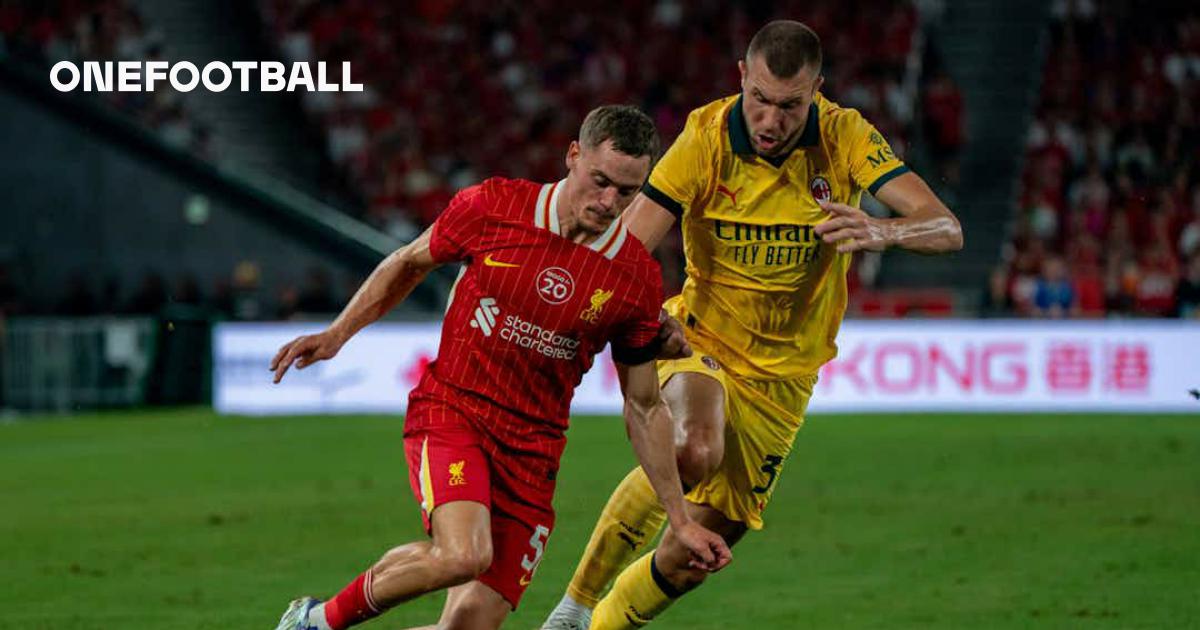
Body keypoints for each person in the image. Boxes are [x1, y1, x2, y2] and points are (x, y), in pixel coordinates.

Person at [542, 21, 963, 630]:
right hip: (702, 338)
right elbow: (627, 249)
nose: (770, 120)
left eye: (790, 105)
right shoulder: (705, 137)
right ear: (742, 76)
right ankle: (573, 608)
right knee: (695, 446)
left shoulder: (845, 135)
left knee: (689, 561)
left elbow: (946, 227)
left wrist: (884, 229)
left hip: (784, 379)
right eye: (760, 98)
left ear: (816, 90)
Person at [268, 105, 731, 630]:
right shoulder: (494, 206)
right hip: (454, 413)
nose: (609, 202)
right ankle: (315, 622)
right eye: (600, 181)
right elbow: (408, 262)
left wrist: (680, 520)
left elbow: (644, 406)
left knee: (467, 626)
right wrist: (337, 334)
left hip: (533, 454)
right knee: (463, 555)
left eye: (627, 192)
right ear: (573, 155)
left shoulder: (635, 278)